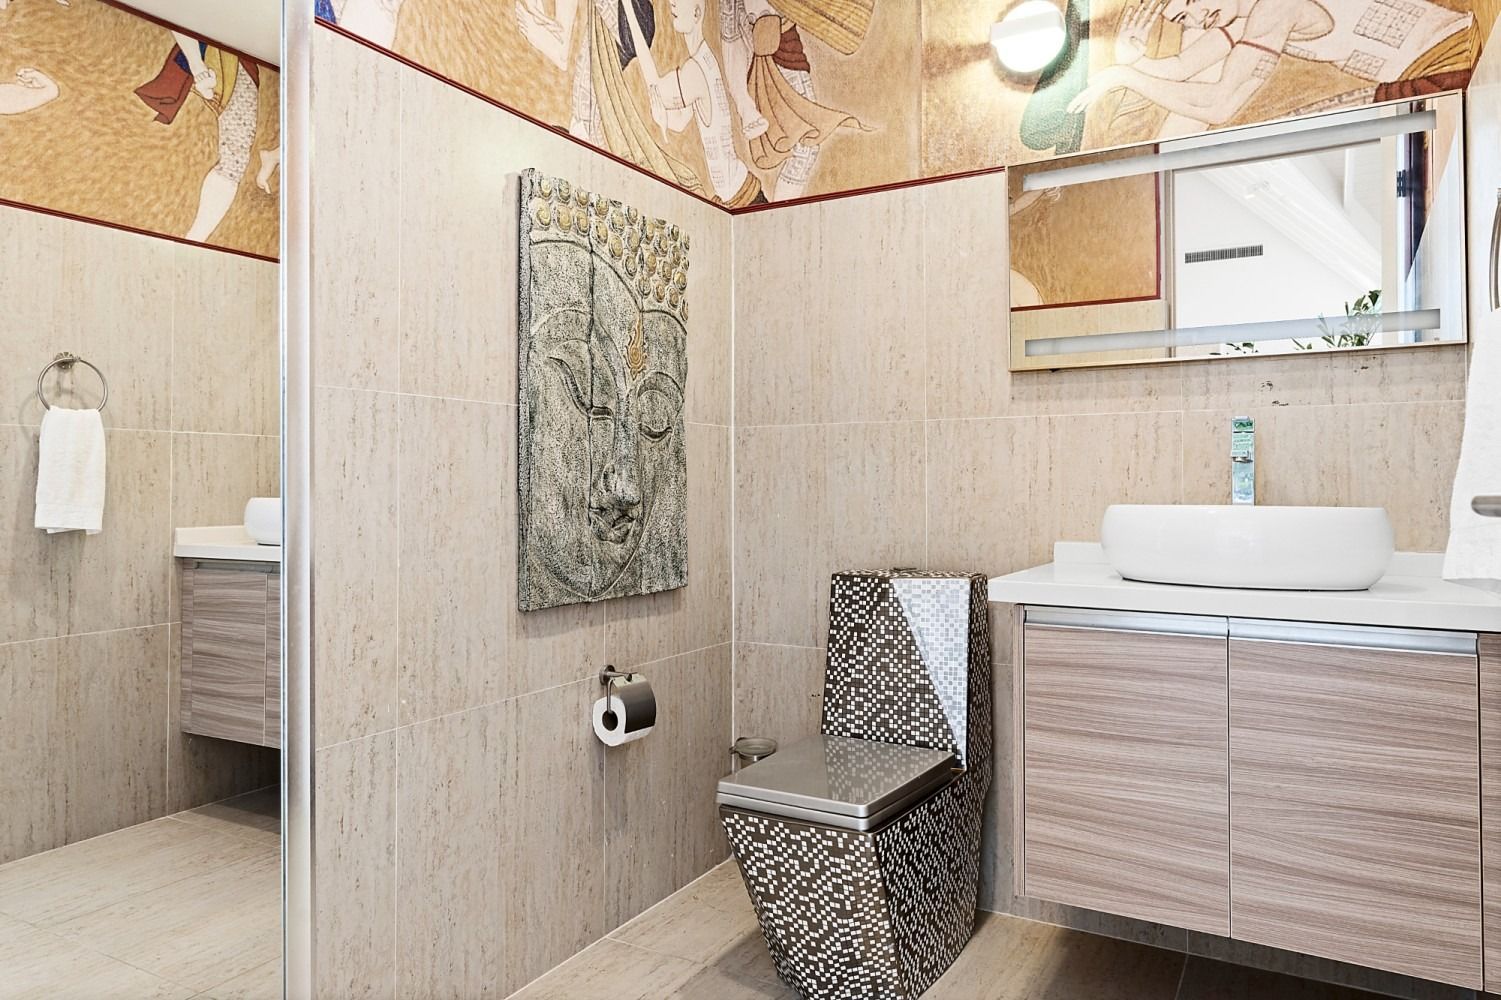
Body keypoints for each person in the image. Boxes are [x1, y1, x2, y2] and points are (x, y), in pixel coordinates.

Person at [1067, 0, 1476, 131]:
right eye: (1180, 19)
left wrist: (1123, 76)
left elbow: (1219, 105)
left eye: (1190, 3)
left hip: (1447, 61)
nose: (1193, 19)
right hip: (1432, 70)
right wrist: (1131, 61)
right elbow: (1181, 66)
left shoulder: (1273, 9)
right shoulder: (1245, 15)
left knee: (1318, 121)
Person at [515, 0, 702, 193]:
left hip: (633, 21)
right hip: (632, 21)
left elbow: (638, 38)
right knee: (587, 96)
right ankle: (557, 34)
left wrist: (654, 88)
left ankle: (558, 38)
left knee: (584, 105)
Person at [619, 0, 766, 206]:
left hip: (741, 197)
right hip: (736, 192)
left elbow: (656, 88)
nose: (672, 4)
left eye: (679, 1)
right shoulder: (704, 58)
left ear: (697, 14)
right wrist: (662, 118)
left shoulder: (695, 70)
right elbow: (679, 121)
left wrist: (629, 11)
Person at [718, 0, 866, 201]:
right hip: (773, 65)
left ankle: (780, 211)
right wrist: (744, 105)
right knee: (806, 147)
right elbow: (732, 37)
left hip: (782, 56)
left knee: (806, 146)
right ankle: (781, 212)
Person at [135, 33, 265, 242]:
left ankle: (196, 239)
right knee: (234, 162)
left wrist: (198, 68)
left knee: (234, 161)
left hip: (234, 60)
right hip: (219, 57)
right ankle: (196, 239)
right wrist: (197, 67)